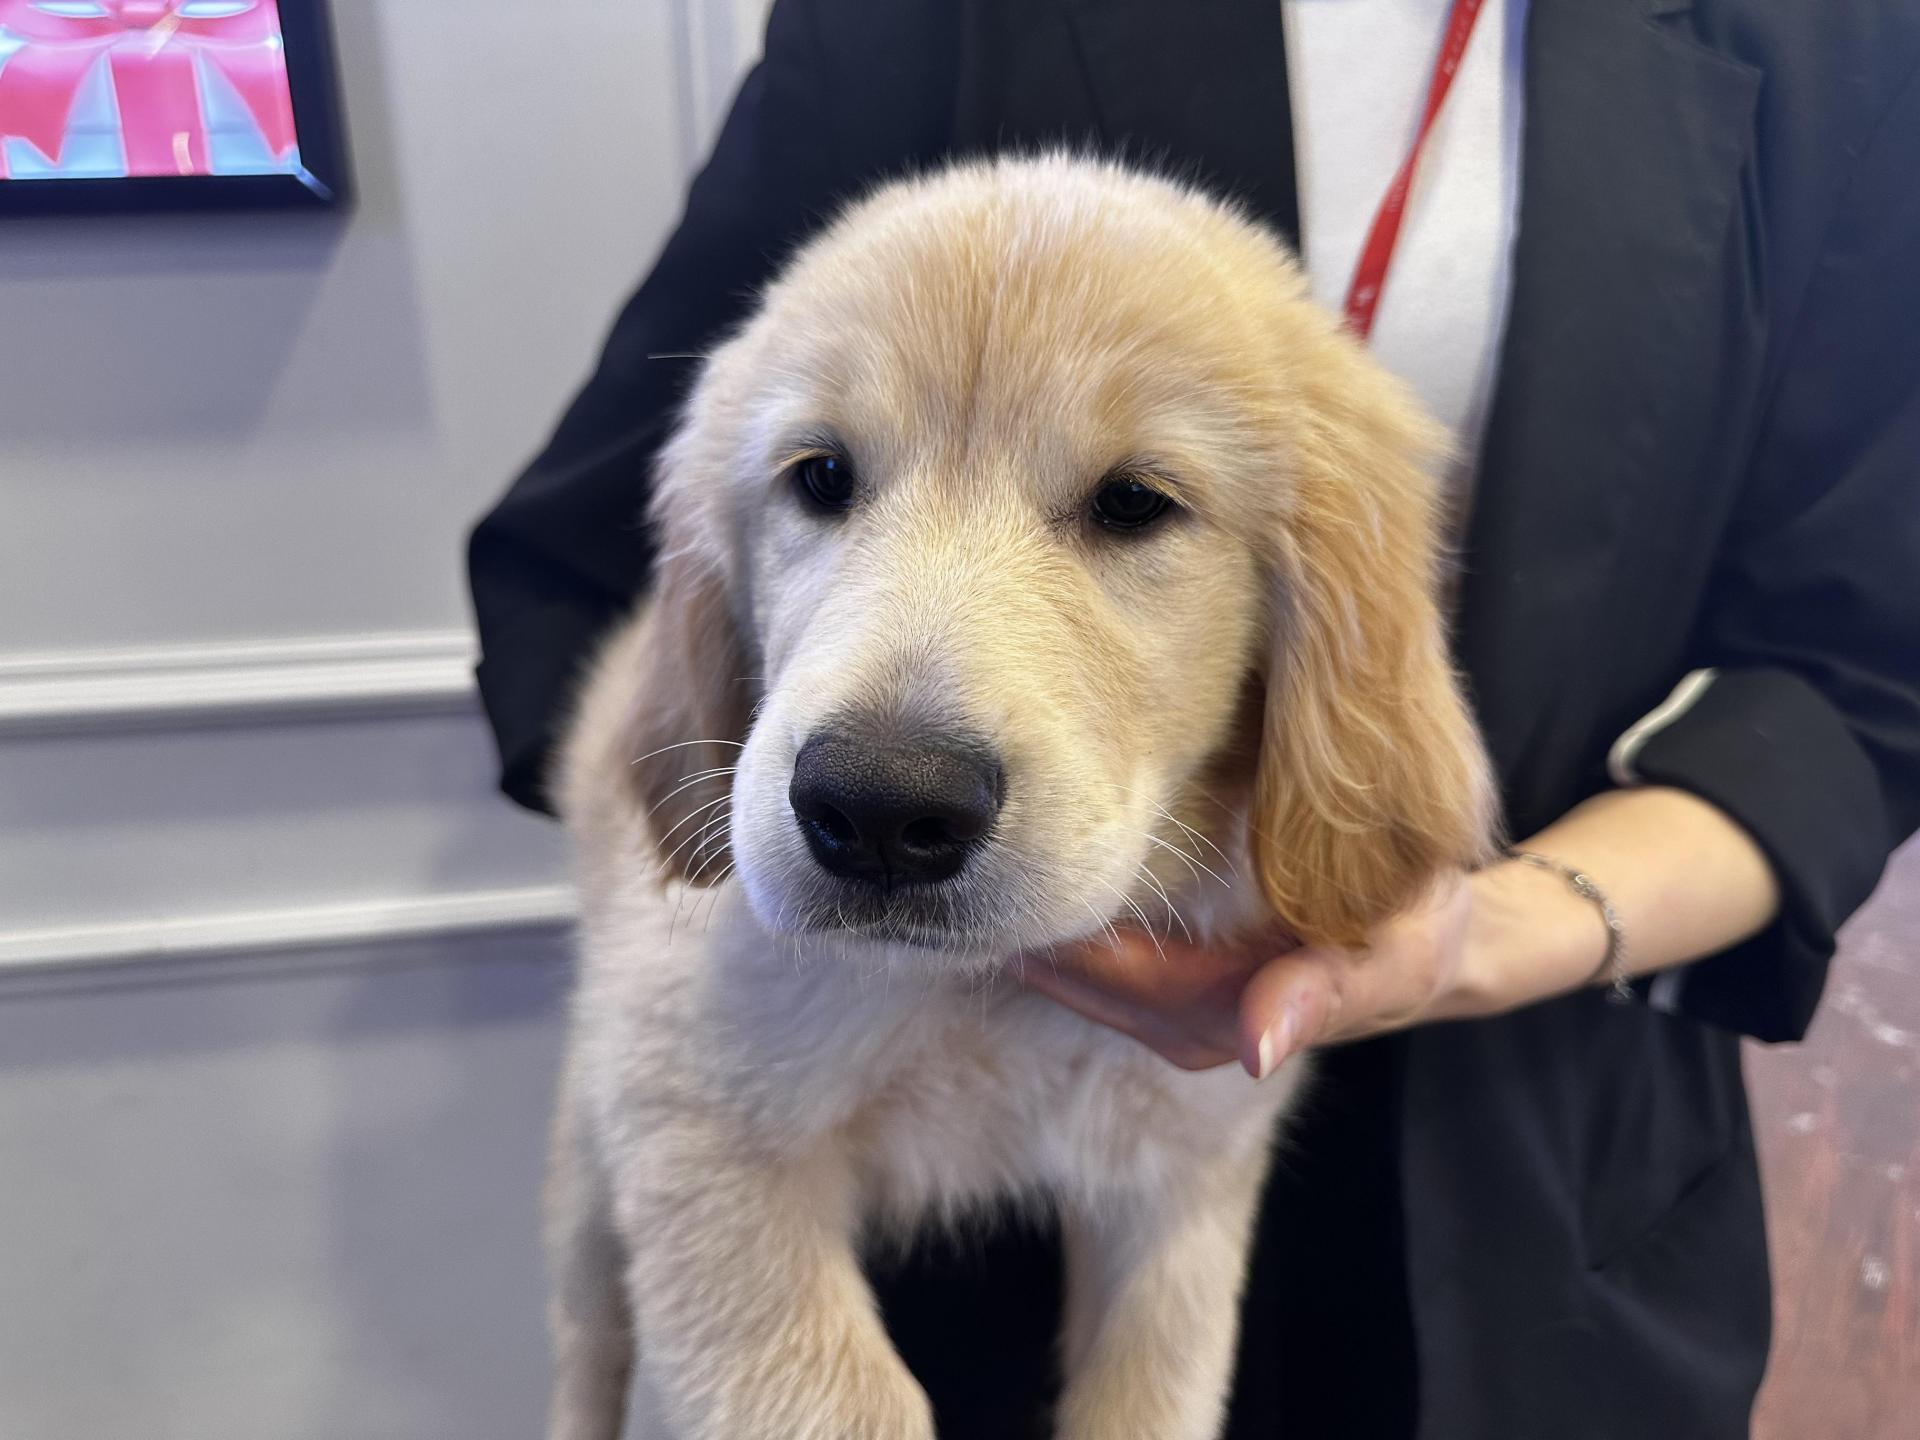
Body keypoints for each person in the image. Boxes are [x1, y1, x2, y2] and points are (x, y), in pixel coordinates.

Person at [466, 1, 1920, 1435]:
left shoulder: (1830, 41)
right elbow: (580, 567)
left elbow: (1859, 679)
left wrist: (1495, 928)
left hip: (1536, 1177)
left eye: (1129, 502)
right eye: (827, 480)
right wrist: (669, 847)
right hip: (910, 1246)